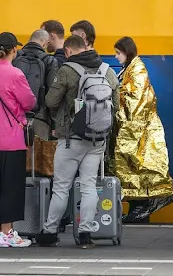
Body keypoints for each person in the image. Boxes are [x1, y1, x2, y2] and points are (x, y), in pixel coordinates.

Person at [35, 35, 120, 249]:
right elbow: (116, 106)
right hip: (97, 140)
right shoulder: (107, 71)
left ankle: (50, 232)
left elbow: (51, 101)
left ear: (69, 51)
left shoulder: (67, 70)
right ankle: (85, 234)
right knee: (89, 185)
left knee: (62, 187)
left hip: (71, 139)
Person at [111, 36, 173, 222]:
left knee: (138, 170)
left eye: (118, 53)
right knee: (135, 172)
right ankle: (137, 209)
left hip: (139, 132)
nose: (116, 57)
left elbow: (137, 102)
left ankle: (140, 210)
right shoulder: (130, 70)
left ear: (127, 51)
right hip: (139, 130)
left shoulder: (137, 70)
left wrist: (119, 113)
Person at [0, 32, 36, 248]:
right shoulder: (16, 74)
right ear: (14, 49)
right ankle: (7, 232)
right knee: (11, 187)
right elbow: (29, 102)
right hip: (12, 138)